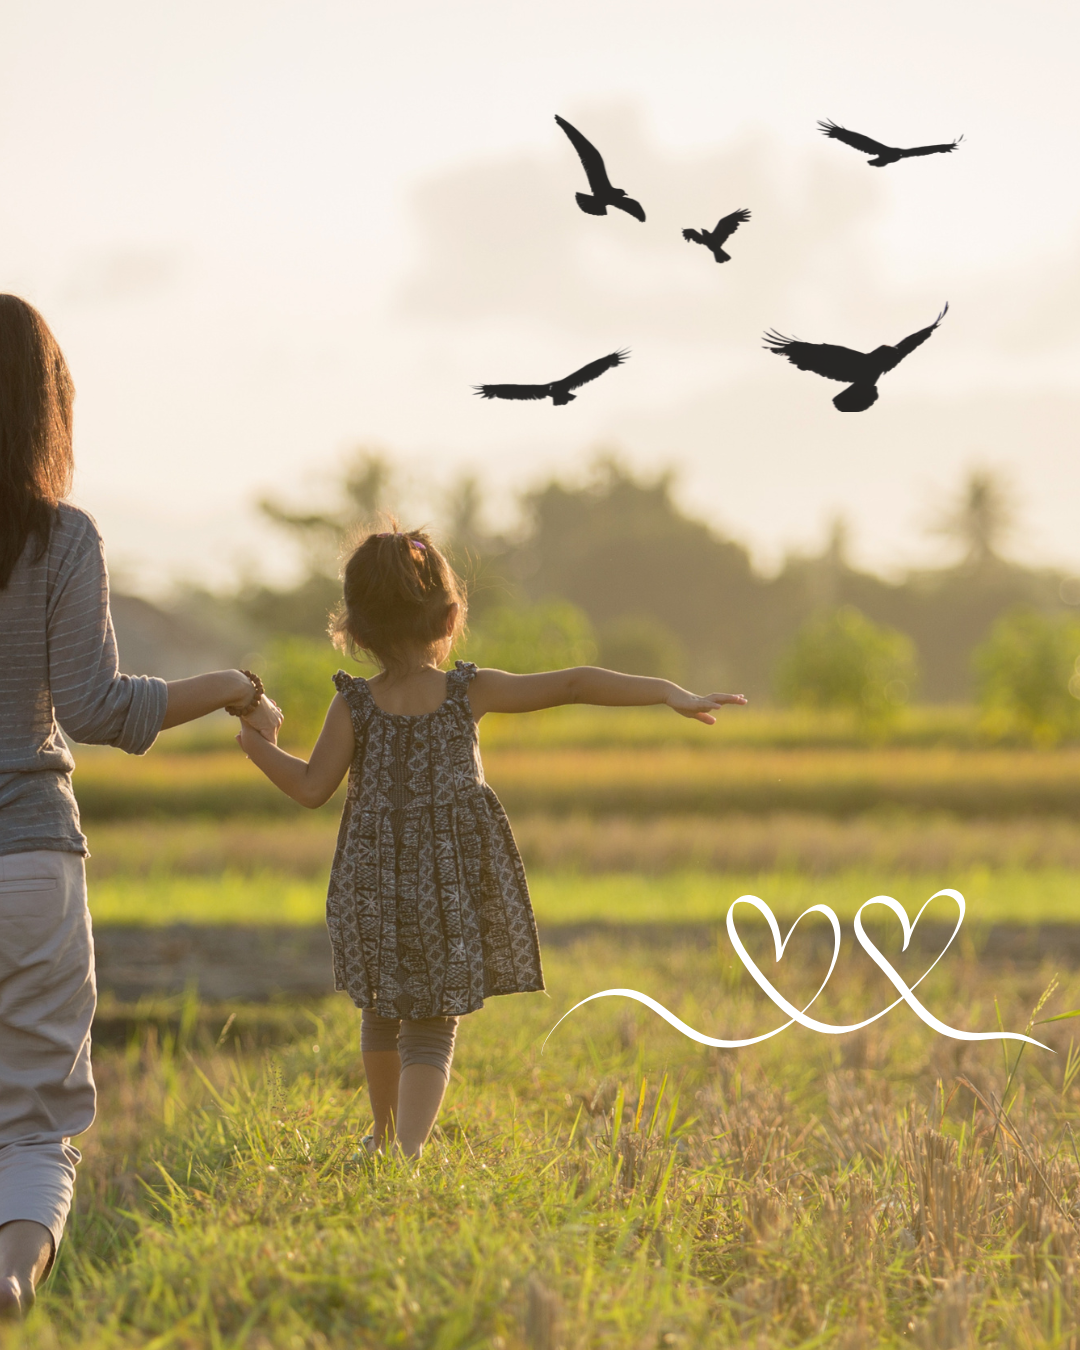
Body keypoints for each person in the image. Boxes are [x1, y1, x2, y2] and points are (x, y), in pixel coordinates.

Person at [236, 525, 746, 1159]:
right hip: (446, 889)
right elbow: (575, 683)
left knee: (381, 1009)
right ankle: (408, 1150)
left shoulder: (355, 705)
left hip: (373, 887)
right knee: (430, 1026)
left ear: (355, 630)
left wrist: (256, 746)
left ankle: (384, 1135)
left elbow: (312, 787)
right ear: (450, 616)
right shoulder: (465, 693)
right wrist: (668, 692)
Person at [0, 294, 282, 1319]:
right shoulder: (64, 540)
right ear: (50, 409)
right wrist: (236, 690)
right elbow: (98, 710)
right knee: (32, 1127)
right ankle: (10, 1278)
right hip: (30, 862)